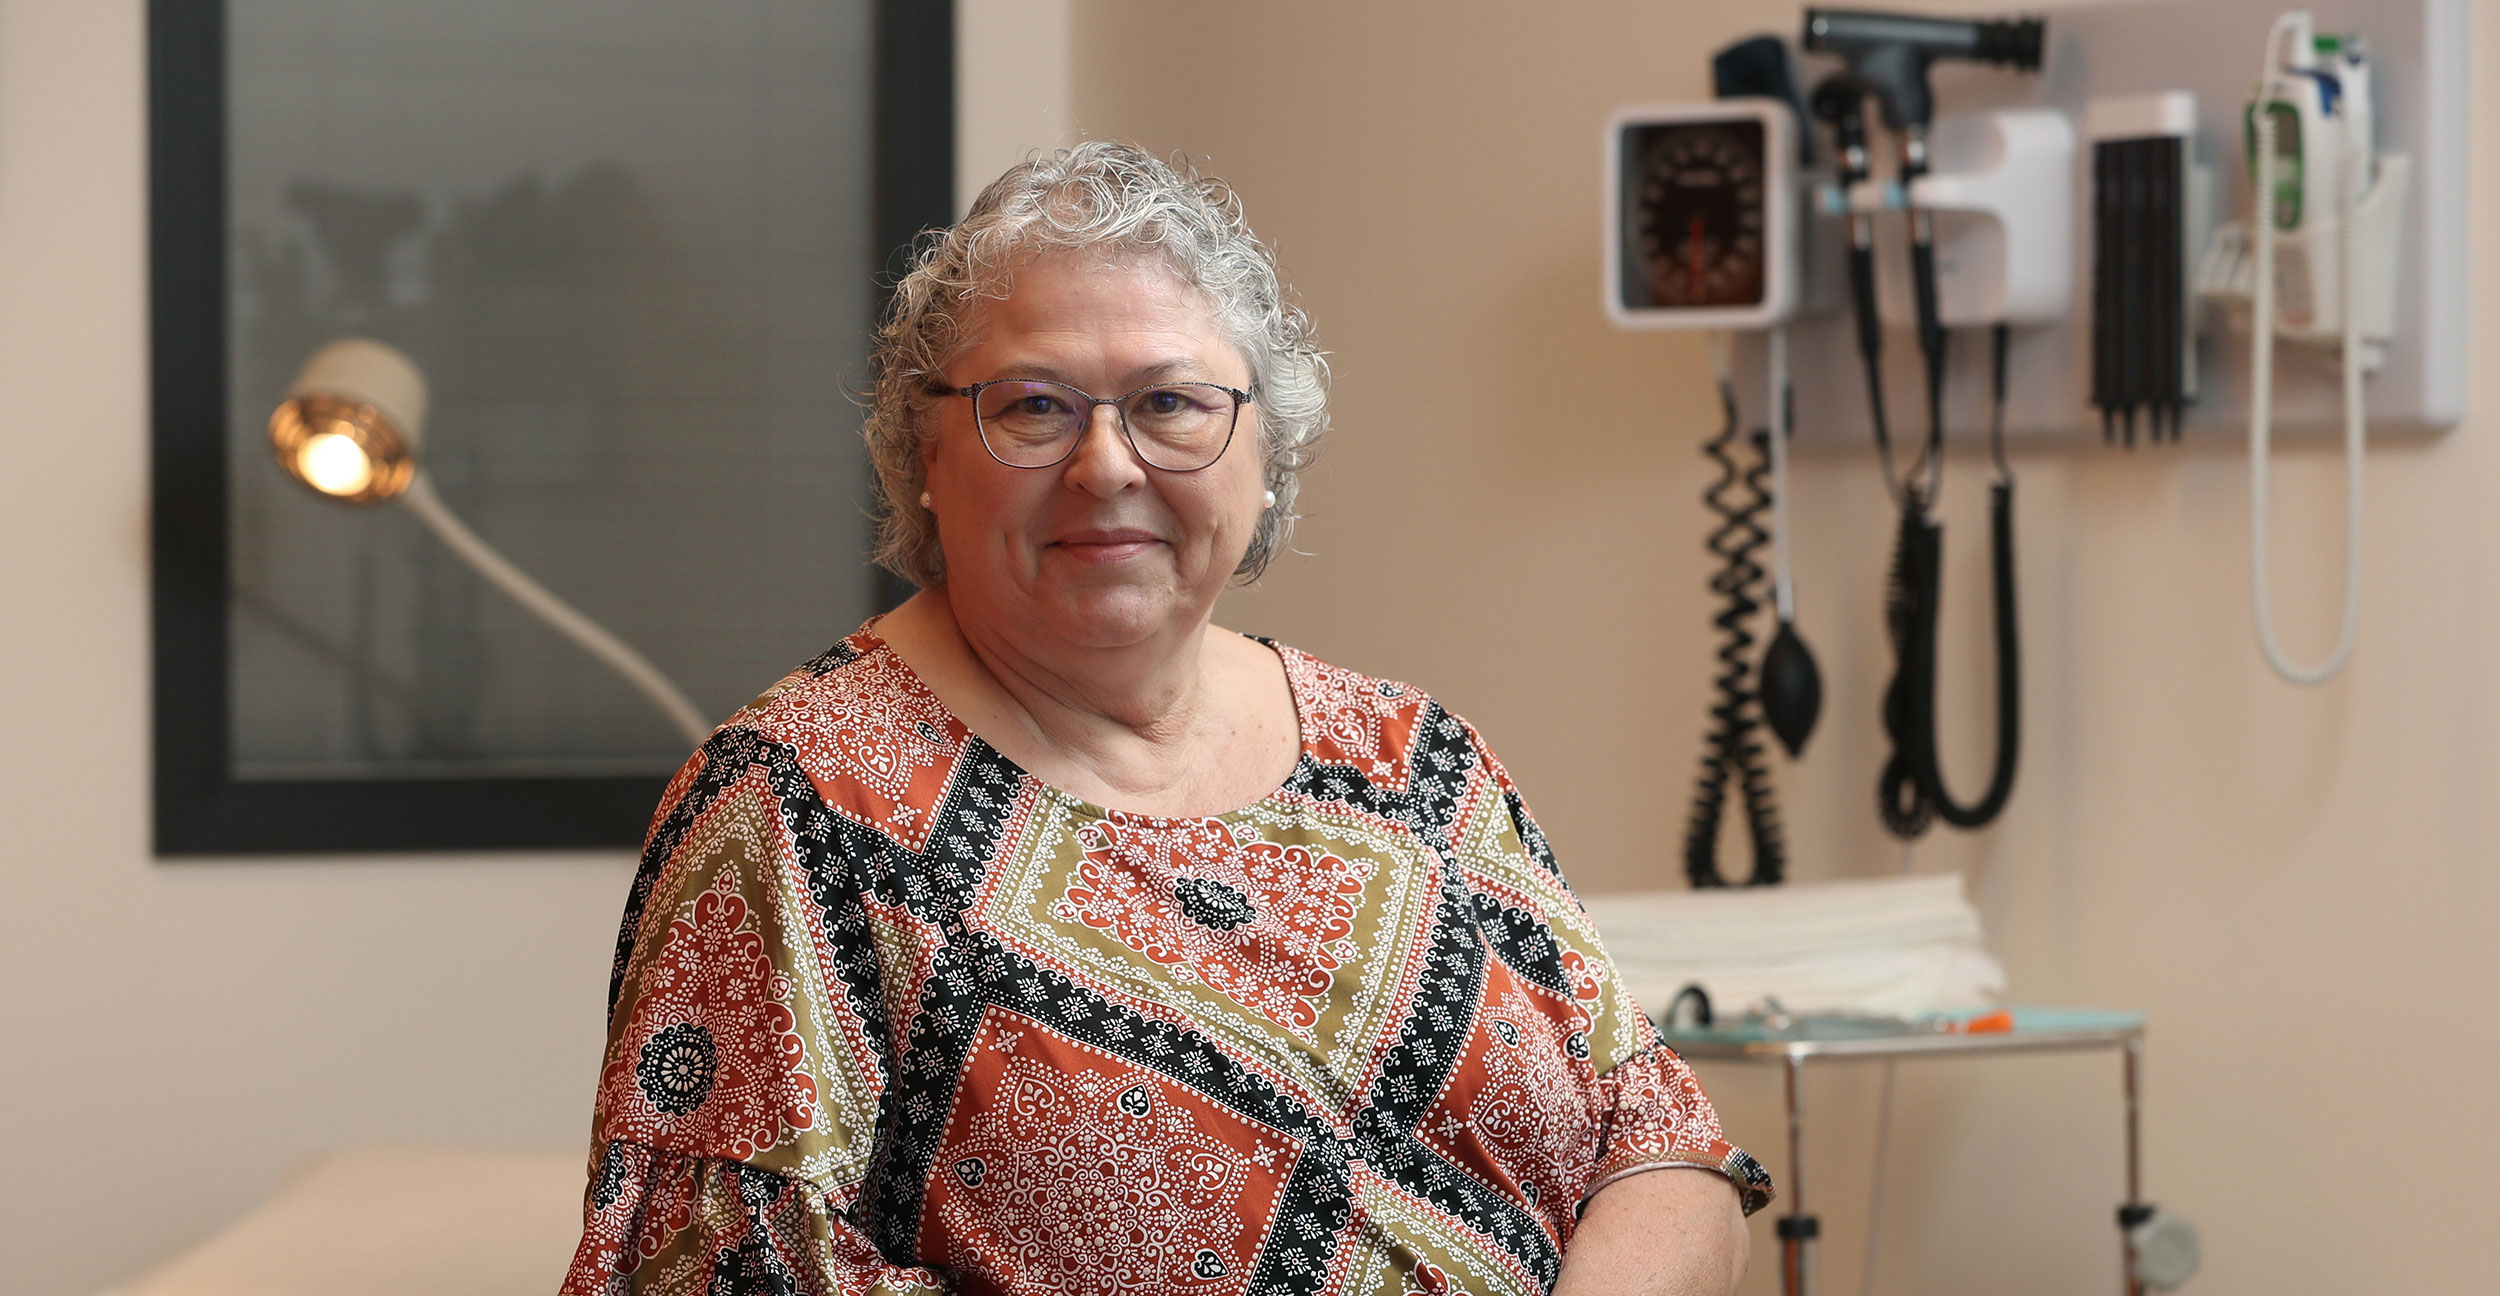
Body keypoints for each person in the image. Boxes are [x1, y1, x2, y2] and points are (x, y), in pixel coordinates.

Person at [561, 141, 1770, 1296]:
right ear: (925, 453)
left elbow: (1657, 1142)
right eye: (1032, 407)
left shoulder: (1412, 759)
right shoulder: (793, 807)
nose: (1105, 466)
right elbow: (726, 1270)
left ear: (1262, 449)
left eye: (1171, 403)